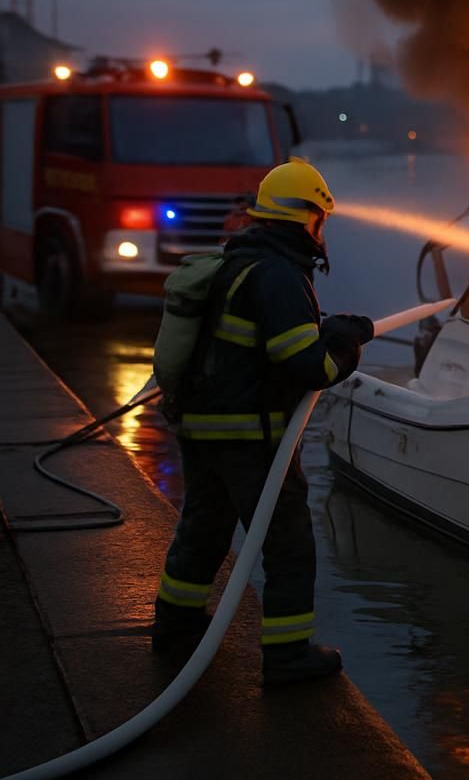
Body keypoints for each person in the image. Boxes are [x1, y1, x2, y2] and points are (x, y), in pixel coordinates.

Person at [150, 159, 374, 685]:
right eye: (321, 219)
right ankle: (287, 654)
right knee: (288, 542)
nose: (323, 232)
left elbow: (261, 345)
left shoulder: (241, 261)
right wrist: (345, 343)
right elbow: (309, 367)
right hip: (249, 436)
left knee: (203, 529)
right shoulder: (278, 274)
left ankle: (176, 627)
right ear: (307, 219)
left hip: (203, 428)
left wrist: (325, 328)